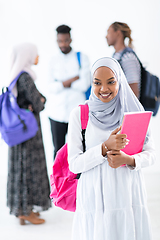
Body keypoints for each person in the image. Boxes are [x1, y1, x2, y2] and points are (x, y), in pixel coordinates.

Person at [68, 57, 155, 240]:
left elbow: (152, 154)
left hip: (128, 194)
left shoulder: (132, 112)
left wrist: (129, 160)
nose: (104, 89)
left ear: (120, 81)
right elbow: (74, 164)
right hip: (94, 196)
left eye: (111, 82)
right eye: (97, 83)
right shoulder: (80, 114)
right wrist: (104, 148)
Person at [7, 43, 51, 225]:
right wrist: (38, 102)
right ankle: (26, 212)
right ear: (27, 55)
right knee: (29, 169)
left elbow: (40, 100)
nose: (38, 56)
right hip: (29, 135)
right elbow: (39, 103)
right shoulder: (25, 77)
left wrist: (39, 101)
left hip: (21, 133)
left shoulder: (17, 76)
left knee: (21, 169)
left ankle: (23, 210)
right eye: (36, 53)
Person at [46, 24, 90, 159]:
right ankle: (58, 180)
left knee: (78, 151)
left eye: (65, 40)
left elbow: (84, 84)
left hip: (76, 113)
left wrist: (61, 83)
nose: (63, 44)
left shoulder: (82, 58)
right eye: (60, 41)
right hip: (56, 114)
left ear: (70, 39)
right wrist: (72, 80)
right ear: (56, 41)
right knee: (58, 151)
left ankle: (77, 180)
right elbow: (50, 87)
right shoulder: (53, 60)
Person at [106, 21, 141, 99]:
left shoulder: (128, 57)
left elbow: (134, 88)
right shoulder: (116, 56)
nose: (106, 36)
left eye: (108, 32)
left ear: (118, 33)